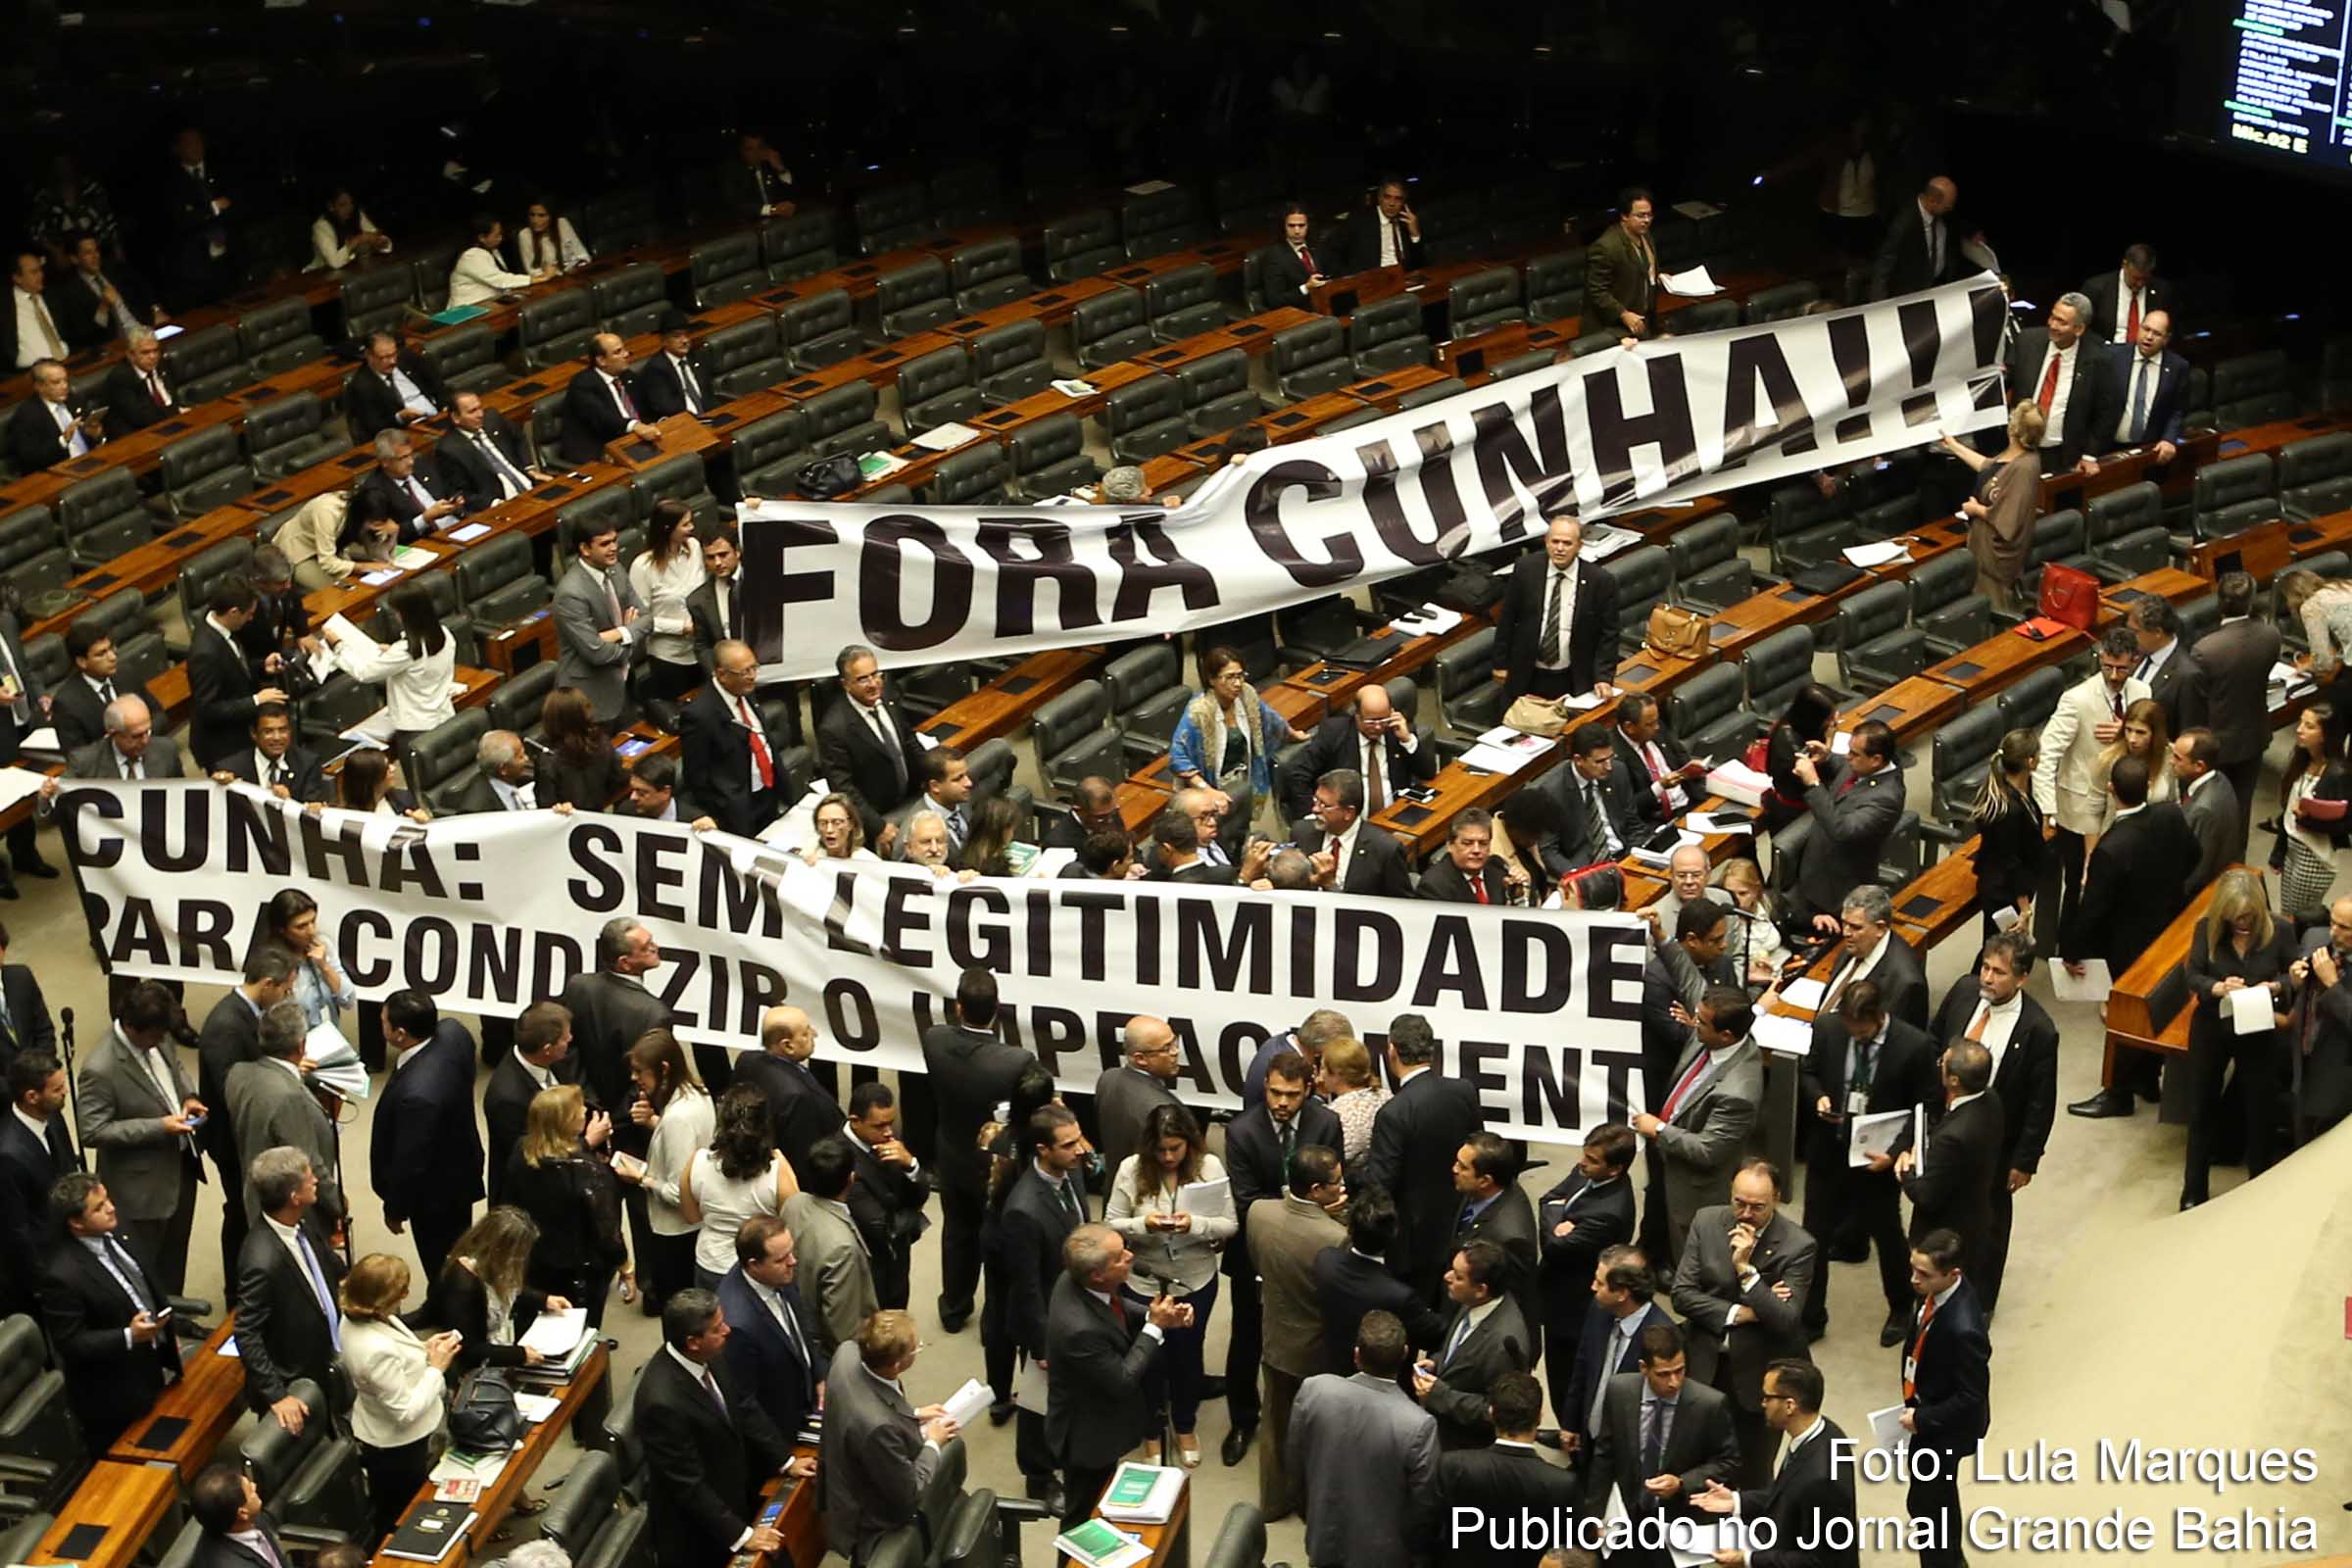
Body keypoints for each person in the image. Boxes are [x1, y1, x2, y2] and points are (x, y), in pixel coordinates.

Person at [1800, 981, 1938, 1346]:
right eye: (1849, 1028)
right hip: (1828, 1151)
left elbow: (1925, 1108)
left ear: (1879, 1017)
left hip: (1876, 1159)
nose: (1854, 1035)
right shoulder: (1829, 1029)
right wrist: (1818, 1099)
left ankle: (1900, 1306)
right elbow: (1809, 1071)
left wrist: (1895, 1153)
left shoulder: (1914, 1046)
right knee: (1812, 1237)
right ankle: (1811, 1316)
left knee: (1888, 1236)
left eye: (1860, 1030)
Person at [2064, 758, 2201, 1117]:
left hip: (2126, 942)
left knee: (2125, 1014)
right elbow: (2194, 856)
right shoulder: (2170, 815)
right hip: (2167, 929)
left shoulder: (2111, 848)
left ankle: (2118, 1092)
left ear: (2111, 789)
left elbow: (2093, 908)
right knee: (2157, 1005)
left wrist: (2073, 951)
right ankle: (2147, 1078)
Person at [1222, 1047, 1340, 1463]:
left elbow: (1330, 1188)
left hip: (1308, 1256)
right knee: (1247, 1337)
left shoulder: (1327, 1123)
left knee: (1307, 1337)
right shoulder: (1242, 1131)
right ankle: (1242, 1419)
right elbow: (1245, 1200)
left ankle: (1307, 1425)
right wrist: (1300, 1212)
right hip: (1255, 1252)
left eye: (1291, 1094)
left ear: (1309, 1089)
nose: (1282, 1102)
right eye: (1274, 1093)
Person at [1670, 1159, 1816, 1488]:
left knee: (1752, 1472)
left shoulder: (1798, 1246)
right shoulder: (1707, 1221)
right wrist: (1746, 1311)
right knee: (1694, 1459)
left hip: (1759, 1376)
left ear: (1776, 1198)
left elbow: (1785, 1320)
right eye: (1740, 1203)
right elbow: (1682, 1295)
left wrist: (1747, 1272)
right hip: (1704, 1361)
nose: (1746, 1213)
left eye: (1757, 1207)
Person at [1104, 1102, 1228, 1467]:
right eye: (1161, 1150)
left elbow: (1229, 1223)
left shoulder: (1210, 1168)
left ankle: (1185, 1425)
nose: (1169, 1156)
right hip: (1144, 1283)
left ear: (1189, 1142)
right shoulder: (1131, 1169)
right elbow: (1111, 1222)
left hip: (1194, 1280)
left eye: (1176, 1148)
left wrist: (1197, 1225)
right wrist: (1146, 1225)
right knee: (1149, 1361)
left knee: (1188, 1358)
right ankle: (1152, 1432)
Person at [638, 1289, 796, 1568]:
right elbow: (689, 1486)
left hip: (731, 1490)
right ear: (693, 1342)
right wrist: (742, 1535)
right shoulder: (662, 1403)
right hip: (698, 1535)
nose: (728, 1330)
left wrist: (786, 1460)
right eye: (717, 1328)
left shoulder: (711, 1354)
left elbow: (743, 1405)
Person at [1046, 1224, 1189, 1528]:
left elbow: (1115, 1307)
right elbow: (1122, 1380)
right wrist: (1155, 1328)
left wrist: (1156, 1316)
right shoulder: (1078, 1328)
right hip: (1087, 1435)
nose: (1130, 1256)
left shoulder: (1077, 1280)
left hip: (1102, 1414)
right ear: (1097, 1274)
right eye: (1120, 1257)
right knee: (1081, 1519)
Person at [36, 1172, 181, 1449]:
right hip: (115, 1388)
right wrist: (128, 1335)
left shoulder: (118, 1227)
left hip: (155, 1359)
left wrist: (165, 1332)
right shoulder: (61, 1276)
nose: (111, 1209)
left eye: (108, 1200)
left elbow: (146, 1281)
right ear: (76, 1222)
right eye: (99, 1208)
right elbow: (71, 1343)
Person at [74, 982, 203, 1295]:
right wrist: (159, 1126)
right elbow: (92, 1130)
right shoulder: (100, 1069)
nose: (162, 1041)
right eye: (155, 1037)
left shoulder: (160, 1036)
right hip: (140, 1189)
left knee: (175, 1255)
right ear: (131, 1027)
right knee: (146, 1267)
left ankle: (177, 1317)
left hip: (180, 1165)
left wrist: (188, 1095)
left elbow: (175, 1069)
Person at [923, 968, 1033, 1334]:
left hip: (952, 1155)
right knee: (999, 1236)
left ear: (957, 1007)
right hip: (994, 1164)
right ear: (998, 1008)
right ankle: (997, 1316)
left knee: (957, 1233)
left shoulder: (934, 1040)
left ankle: (954, 1307)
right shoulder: (1016, 1060)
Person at [1288, 1311, 1441, 1568]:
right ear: (1404, 1354)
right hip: (1384, 1556)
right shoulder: (1418, 1425)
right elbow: (1424, 1506)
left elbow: (1295, 1464)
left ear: (1356, 1355)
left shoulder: (1314, 1390)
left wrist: (1311, 1514)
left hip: (1324, 1536)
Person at [2180, 868, 2296, 1209]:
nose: (2242, 925)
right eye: (2234, 919)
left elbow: (2295, 972)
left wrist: (2276, 986)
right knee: (2201, 1108)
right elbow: (2193, 974)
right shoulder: (2207, 929)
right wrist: (2217, 987)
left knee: (2260, 1109)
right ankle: (2193, 1190)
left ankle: (2258, 1185)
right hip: (2212, 1027)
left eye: (2247, 918)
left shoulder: (2281, 931)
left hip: (2258, 1027)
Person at [1000, 1104, 1091, 1513]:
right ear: (1042, 1150)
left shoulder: (1071, 1172)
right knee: (1038, 1403)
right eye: (1069, 1145)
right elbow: (1025, 1286)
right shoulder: (1023, 1208)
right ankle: (1037, 1475)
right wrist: (1040, 1348)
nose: (1080, 1150)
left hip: (1077, 1300)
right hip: (1045, 1320)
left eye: (1079, 1138)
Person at [1248, 1142, 1348, 1513]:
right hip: (1315, 1348)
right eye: (1336, 1182)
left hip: (1274, 1335)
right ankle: (1307, 1503)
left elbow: (1258, 1260)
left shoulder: (1259, 1212)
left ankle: (1272, 1502)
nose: (1343, 1186)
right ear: (1317, 1190)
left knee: (1274, 1425)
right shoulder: (1334, 1237)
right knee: (1316, 1432)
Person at [1586, 1321, 1740, 1556]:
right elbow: (1604, 1454)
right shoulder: (1619, 1391)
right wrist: (1594, 1513)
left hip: (1678, 1525)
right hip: (1626, 1515)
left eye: (1680, 1370)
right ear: (1643, 1368)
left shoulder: (1710, 1405)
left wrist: (1682, 1483)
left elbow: (1729, 1461)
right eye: (1664, 1374)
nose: (1674, 1382)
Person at [2035, 624, 2152, 938]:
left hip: (2122, 803)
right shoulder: (2076, 700)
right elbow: (2046, 756)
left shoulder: (2142, 693)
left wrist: (2124, 730)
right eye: (2108, 667)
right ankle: (2068, 946)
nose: (2114, 675)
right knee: (2078, 883)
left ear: (2136, 661)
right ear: (2099, 658)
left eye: (2122, 668)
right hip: (2079, 810)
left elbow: (2148, 739)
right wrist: (2049, 810)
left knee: (2114, 879)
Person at [1687, 1358, 1859, 1568]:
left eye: (1768, 1397)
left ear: (1789, 1406)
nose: (1763, 1404)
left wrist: (1747, 1559)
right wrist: (1737, 1500)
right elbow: (1788, 1493)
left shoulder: (1821, 1480)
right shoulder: (1825, 1432)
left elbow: (1819, 1562)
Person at [1636, 985, 1761, 1271]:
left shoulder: (1739, 1092)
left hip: (1693, 1189)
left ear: (1726, 1035)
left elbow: (1708, 1150)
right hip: (1668, 1162)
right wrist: (1662, 940)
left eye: (1701, 1023)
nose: (1693, 1025)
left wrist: (1659, 1130)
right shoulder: (1715, 1033)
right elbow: (1690, 979)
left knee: (1693, 1263)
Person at [1360, 1012, 1486, 1298]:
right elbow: (1478, 1149)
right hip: (1460, 1228)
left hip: (1411, 1244)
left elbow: (1381, 1186)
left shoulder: (1394, 1113)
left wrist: (1354, 1176)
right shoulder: (1463, 1091)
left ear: (1391, 1051)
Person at [820, 1310, 957, 1565]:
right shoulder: (877, 1427)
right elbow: (909, 1493)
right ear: (896, 1365)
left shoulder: (848, 1352)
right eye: (915, 1349)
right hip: (873, 1517)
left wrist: (912, 1415)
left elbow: (877, 1401)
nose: (918, 1350)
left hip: (848, 1469)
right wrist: (933, 1443)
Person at [339, 1252, 458, 1543]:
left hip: (392, 1435)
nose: (407, 1293)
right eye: (402, 1289)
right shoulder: (373, 1350)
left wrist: (424, 1348)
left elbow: (399, 1352)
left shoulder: (362, 1314)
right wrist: (436, 1368)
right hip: (396, 1447)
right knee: (402, 1519)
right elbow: (404, 1412)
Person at [369, 992, 483, 1286]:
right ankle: (440, 1302)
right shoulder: (454, 1033)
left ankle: (452, 1314)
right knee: (458, 1246)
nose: (380, 1025)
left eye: (384, 1022)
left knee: (441, 1257)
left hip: (434, 1193)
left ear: (400, 1034)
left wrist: (395, 1209)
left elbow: (411, 1160)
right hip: (460, 1162)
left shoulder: (418, 1096)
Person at [235, 1147, 343, 1433]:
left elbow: (332, 1269)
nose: (317, 1181)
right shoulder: (261, 1260)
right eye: (310, 1178)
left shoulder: (299, 1225)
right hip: (295, 1379)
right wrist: (277, 1395)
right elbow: (247, 1332)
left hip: (322, 1359)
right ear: (294, 1197)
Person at [1899, 1231, 1990, 1568]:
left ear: (1953, 1274)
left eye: (1924, 1274)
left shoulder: (1964, 1327)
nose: (1914, 1279)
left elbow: (1971, 1396)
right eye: (1913, 1269)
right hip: (1925, 1406)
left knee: (1931, 1512)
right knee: (1930, 1505)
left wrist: (1922, 1419)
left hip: (1944, 1429)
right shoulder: (1934, 1296)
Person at [1536, 1123, 1637, 1414]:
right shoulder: (1585, 1173)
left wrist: (1557, 1214)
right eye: (1585, 1155)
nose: (1582, 1163)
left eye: (1593, 1160)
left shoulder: (1610, 1212)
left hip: (1574, 1308)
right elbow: (1546, 1200)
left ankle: (1574, 1439)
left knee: (1568, 1378)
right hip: (1555, 1292)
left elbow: (1555, 1247)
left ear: (1615, 1169)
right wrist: (1558, 1218)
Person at [504, 1085, 625, 1326]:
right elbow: (606, 1229)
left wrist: (586, 1145)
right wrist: (626, 1266)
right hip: (580, 1269)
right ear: (566, 1122)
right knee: (580, 1329)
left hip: (535, 1260)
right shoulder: (588, 1171)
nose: (583, 1111)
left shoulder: (522, 1151)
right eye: (578, 1109)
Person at [1172, 643, 1310, 856]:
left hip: (1245, 777)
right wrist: (1205, 789)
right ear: (1212, 680)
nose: (1237, 683)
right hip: (1214, 784)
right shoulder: (1198, 712)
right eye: (1229, 678)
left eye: (1240, 675)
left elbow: (1269, 717)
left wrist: (1292, 734)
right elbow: (1177, 757)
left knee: (1246, 826)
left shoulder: (1246, 695)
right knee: (1219, 836)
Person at [1435, 1370, 1583, 1568]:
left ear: (1492, 1413)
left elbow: (1427, 1531)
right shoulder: (1563, 1484)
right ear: (1539, 1418)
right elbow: (1566, 1551)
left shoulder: (1453, 1466)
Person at [612, 1029, 713, 1311]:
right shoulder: (698, 1093)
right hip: (695, 1228)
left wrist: (642, 1178)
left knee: (679, 1313)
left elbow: (680, 1193)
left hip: (676, 1233)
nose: (635, 1078)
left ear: (664, 1069)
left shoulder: (677, 1119)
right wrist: (655, 1122)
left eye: (640, 1072)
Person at [2189, 571, 2283, 858]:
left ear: (2219, 603)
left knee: (2208, 808)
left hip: (2217, 742)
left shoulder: (2205, 650)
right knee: (2242, 806)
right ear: (2252, 601)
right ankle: (2236, 861)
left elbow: (2197, 700)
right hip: (2253, 734)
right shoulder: (2271, 635)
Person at [224, 1000, 341, 1226]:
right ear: (301, 1046)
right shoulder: (289, 1097)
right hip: (294, 1211)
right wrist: (335, 1205)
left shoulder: (237, 1074)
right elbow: (308, 1161)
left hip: (257, 1196)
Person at [1310, 1185, 1444, 1377]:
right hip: (1380, 1380)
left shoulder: (1325, 1261)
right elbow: (1435, 1334)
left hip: (1333, 1369)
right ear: (1394, 1234)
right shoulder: (1400, 1297)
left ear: (1349, 1229)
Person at [1896, 1040, 2004, 1270]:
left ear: (1954, 1080)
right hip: (1975, 1217)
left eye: (1942, 1063)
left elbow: (1925, 1195)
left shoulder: (1953, 1137)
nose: (1939, 1066)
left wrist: (1907, 1169)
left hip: (1944, 1232)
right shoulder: (1991, 1100)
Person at [717, 1214, 824, 1442]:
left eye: (791, 1252)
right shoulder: (737, 1325)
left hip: (805, 1402)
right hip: (780, 1429)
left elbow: (802, 1328)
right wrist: (785, 1460)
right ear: (754, 1265)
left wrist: (818, 1375)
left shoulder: (777, 1273)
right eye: (781, 1259)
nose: (793, 1262)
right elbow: (745, 1404)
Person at [682, 1084, 798, 1291]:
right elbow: (794, 1221)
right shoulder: (778, 1171)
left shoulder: (697, 1161)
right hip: (761, 1269)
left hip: (711, 1263)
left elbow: (691, 1216)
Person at [1560, 1246, 1671, 1460]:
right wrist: (1570, 1423)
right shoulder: (1599, 1309)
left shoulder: (1662, 1336)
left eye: (1600, 1283)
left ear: (1622, 1293)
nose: (1593, 1287)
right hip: (1588, 1438)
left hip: (1626, 1452)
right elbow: (1582, 1367)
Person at [1495, 516, 1621, 707]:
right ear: (1546, 541)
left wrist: (1603, 676)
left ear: (1579, 545)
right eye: (1555, 541)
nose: (1560, 548)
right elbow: (1507, 619)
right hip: (1527, 671)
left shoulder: (1600, 581)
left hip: (1573, 675)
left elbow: (1609, 634)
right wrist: (1500, 664)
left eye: (1567, 543)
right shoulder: (1526, 569)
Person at [1788, 718, 1903, 927]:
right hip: (1813, 870)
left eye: (1854, 753)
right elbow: (1844, 767)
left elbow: (1842, 831)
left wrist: (1814, 783)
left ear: (1876, 760)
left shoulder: (1886, 798)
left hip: (1836, 890)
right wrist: (1827, 758)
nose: (1847, 757)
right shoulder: (1863, 767)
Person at [1937, 403, 2045, 611]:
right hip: (1983, 546)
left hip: (1995, 556)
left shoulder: (2024, 467)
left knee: (1995, 606)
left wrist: (1975, 509)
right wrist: (1953, 445)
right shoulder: (2018, 458)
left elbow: (2009, 518)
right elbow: (1989, 467)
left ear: (2012, 429)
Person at [818, 644, 925, 844]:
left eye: (876, 674)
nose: (874, 683)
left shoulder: (888, 695)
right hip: (880, 818)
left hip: (912, 796)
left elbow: (909, 740)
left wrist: (932, 776)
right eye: (862, 679)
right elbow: (844, 789)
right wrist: (878, 827)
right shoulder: (833, 729)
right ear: (845, 684)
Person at [2005, 291, 2120, 476]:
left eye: (2062, 322)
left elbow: (2107, 412)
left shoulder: (2098, 359)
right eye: (2052, 317)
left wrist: (2090, 455)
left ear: (2079, 329)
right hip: (2019, 447)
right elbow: (2005, 383)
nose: (2052, 325)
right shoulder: (2027, 341)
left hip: (2063, 455)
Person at [1279, 684, 1435, 821]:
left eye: (1383, 720)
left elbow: (1428, 773)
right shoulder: (1334, 733)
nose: (1378, 727)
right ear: (1357, 716)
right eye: (1371, 721)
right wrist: (1314, 815)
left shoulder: (1398, 731)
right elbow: (1298, 775)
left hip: (1397, 816)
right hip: (1349, 823)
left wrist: (1408, 740)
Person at [677, 641, 786, 836]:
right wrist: (722, 809)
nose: (752, 676)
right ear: (721, 674)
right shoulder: (699, 715)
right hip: (737, 809)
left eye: (754, 668)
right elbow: (696, 776)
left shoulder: (745, 691)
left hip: (768, 791)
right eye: (744, 672)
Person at [1449, 1131, 1542, 1361]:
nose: (1454, 1169)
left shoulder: (1510, 1237)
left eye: (1462, 1167)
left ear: (1485, 1180)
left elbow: (1506, 1305)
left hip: (1484, 1350)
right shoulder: (1479, 1192)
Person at [777, 1135, 874, 1346]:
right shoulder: (842, 1248)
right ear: (851, 1178)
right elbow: (843, 1325)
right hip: (825, 1346)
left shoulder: (793, 1203)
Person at [840, 1082, 927, 1311]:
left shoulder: (887, 1140)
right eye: (880, 1125)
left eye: (891, 1123)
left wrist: (911, 1166)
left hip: (897, 1263)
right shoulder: (842, 1161)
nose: (889, 1132)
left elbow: (918, 1196)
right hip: (871, 1268)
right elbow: (882, 1228)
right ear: (855, 1121)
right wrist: (915, 1219)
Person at [485, 1003, 577, 1206]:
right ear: (547, 1049)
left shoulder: (556, 1058)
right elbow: (531, 1159)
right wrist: (587, 1142)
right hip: (529, 1201)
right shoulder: (508, 1098)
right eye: (565, 1038)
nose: (570, 1039)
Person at [1969, 728, 2048, 943]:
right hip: (2003, 892)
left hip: (2007, 884)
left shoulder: (2016, 789)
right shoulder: (2008, 810)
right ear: (2031, 762)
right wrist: (2025, 910)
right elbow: (2011, 863)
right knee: (2001, 950)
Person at [1816, 883, 1931, 1029]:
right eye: (1844, 923)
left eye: (1855, 927)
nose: (1846, 932)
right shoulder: (1858, 943)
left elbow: (1897, 1044)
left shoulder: (1905, 982)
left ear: (1880, 928)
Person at [1291, 767, 1415, 898]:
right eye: (1316, 800)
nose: (1315, 809)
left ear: (1348, 813)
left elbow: (1401, 904)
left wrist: (1330, 885)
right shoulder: (1301, 832)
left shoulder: (1385, 850)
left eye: (1325, 805)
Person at [2278, 702, 2350, 922]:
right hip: (2292, 846)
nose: (2299, 729)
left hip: (2314, 856)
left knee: (2296, 918)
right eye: (2301, 723)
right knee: (2287, 912)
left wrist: (2308, 820)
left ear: (2325, 735)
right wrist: (2279, 850)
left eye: (2309, 726)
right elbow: (2288, 812)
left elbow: (2345, 824)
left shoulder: (2338, 774)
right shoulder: (2301, 762)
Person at [2288, 898, 2352, 1142]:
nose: (2334, 932)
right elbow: (2294, 987)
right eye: (2332, 923)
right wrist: (2293, 981)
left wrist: (2332, 985)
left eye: (2344, 928)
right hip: (2302, 1064)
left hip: (2339, 1078)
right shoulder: (2314, 937)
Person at [438, 389, 549, 507]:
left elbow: (519, 437)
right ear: (456, 417)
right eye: (472, 411)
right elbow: (461, 494)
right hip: (502, 503)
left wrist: (529, 467)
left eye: (480, 408)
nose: (480, 414)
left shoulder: (492, 418)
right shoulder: (448, 450)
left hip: (532, 485)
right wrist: (493, 503)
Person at [53, 232, 167, 347]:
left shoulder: (114, 269)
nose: (95, 256)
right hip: (116, 344)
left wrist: (156, 310)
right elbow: (85, 335)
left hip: (144, 328)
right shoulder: (71, 292)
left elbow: (142, 285)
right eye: (88, 253)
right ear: (75, 259)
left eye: (96, 250)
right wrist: (104, 306)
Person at [1613, 692, 1707, 827]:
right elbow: (1627, 808)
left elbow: (1681, 757)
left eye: (1657, 721)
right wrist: (1659, 787)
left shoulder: (1656, 727)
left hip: (1689, 804)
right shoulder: (1614, 757)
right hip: (1655, 823)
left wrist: (1692, 768)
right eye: (1649, 724)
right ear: (1629, 727)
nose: (1656, 727)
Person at [562, 333, 659, 464]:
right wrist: (635, 426)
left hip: (633, 442)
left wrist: (650, 424)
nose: (626, 354)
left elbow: (645, 408)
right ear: (601, 360)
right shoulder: (583, 384)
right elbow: (603, 419)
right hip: (599, 451)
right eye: (618, 352)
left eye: (624, 349)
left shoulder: (628, 377)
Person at [2169, 726, 2239, 899]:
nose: (2171, 761)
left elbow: (2198, 870)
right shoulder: (2220, 778)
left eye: (2178, 758)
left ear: (2199, 766)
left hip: (2200, 895)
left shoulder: (2202, 810)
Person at [2110, 308, 2189, 461]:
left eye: (2157, 334)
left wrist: (2168, 439)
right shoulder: (2113, 356)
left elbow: (2178, 410)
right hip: (2109, 447)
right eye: (2146, 329)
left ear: (2166, 339)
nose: (2149, 337)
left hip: (2151, 449)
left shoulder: (2177, 367)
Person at [345, 330, 451, 443]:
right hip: (406, 433)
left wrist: (444, 406)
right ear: (368, 355)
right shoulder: (361, 386)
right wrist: (399, 417)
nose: (392, 361)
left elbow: (437, 383)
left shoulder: (407, 357)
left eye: (394, 354)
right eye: (384, 357)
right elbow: (374, 426)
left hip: (436, 417)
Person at [1868, 174, 1961, 301]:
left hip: (1939, 288)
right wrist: (1878, 303)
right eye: (1947, 207)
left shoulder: (1944, 217)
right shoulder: (1903, 223)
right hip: (1911, 293)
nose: (1950, 209)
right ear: (1932, 201)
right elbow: (1885, 262)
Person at [1583, 186, 1660, 338]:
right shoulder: (1606, 247)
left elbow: (1642, 270)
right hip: (1611, 328)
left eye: (1649, 215)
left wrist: (1658, 276)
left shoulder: (1646, 236)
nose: (1646, 220)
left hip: (1642, 321)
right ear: (1624, 216)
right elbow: (1597, 291)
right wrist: (1623, 314)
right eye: (1640, 216)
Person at [8, 357, 104, 473]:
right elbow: (31, 458)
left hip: (91, 462)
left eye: (65, 380)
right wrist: (63, 440)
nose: (64, 386)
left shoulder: (74, 399)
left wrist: (96, 435)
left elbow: (94, 439)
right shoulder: (26, 416)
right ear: (39, 386)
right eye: (56, 382)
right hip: (59, 472)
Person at [186, 1464, 290, 1568]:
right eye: (250, 1489)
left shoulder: (245, 1518)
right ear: (243, 1513)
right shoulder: (233, 1564)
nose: (254, 1485)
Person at [1418, 808, 1525, 905]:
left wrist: (1516, 894)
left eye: (1483, 843)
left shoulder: (1496, 866)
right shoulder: (1434, 886)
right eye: (1467, 843)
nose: (1476, 850)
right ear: (1450, 845)